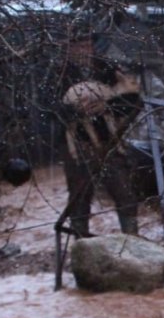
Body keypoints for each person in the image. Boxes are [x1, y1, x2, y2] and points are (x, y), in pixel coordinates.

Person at [61, 58, 146, 237]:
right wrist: (75, 110)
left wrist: (107, 105)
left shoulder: (106, 68)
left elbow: (133, 102)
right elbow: (49, 109)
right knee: (79, 197)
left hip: (110, 144)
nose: (82, 49)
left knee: (125, 194)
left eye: (87, 42)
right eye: (77, 44)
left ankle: (131, 240)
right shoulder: (59, 72)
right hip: (78, 147)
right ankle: (81, 243)